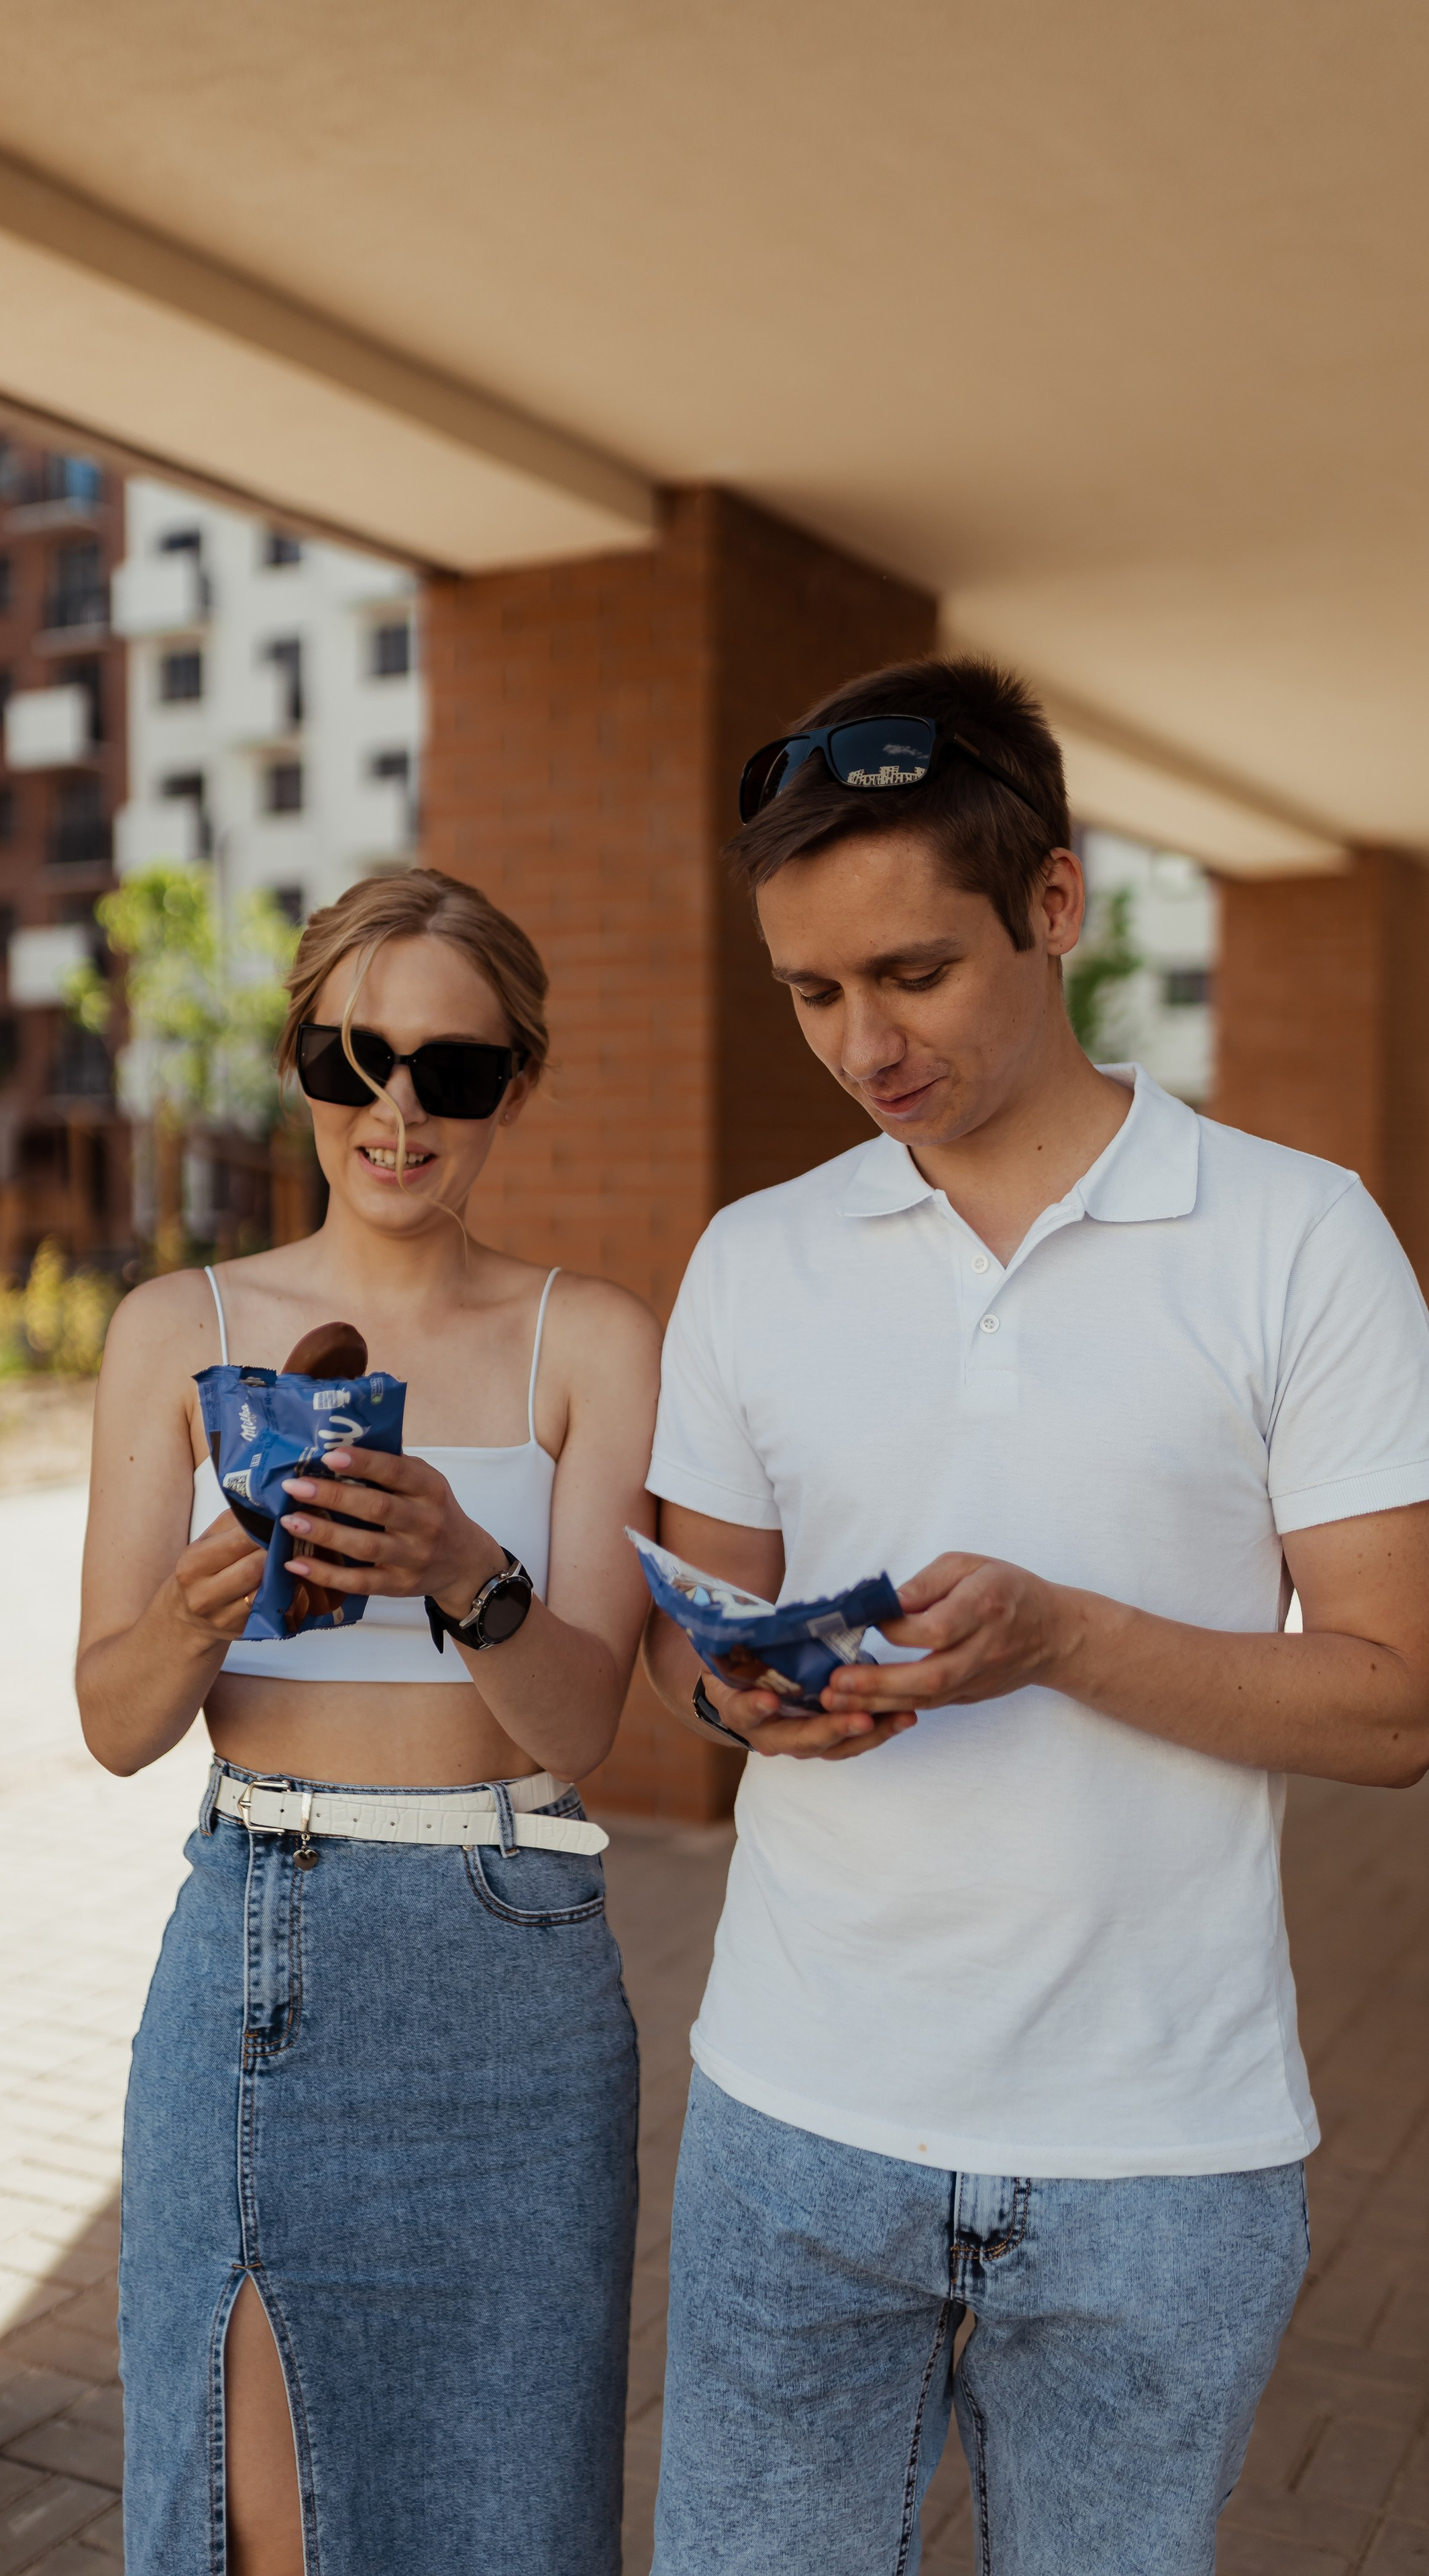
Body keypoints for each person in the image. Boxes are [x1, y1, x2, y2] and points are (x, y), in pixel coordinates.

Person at [641, 657, 1429, 2576]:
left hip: (1163, 2147)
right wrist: (753, 1703)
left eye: (913, 973)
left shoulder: (1300, 1236)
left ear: (1056, 907)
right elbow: (691, 1647)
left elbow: (1397, 1702)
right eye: (814, 991)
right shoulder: (756, 1258)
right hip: (798, 2115)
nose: (862, 1043)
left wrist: (1067, 1638)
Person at [76, 868, 659, 2576]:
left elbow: (587, 1726)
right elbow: (115, 1723)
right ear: (303, 1064)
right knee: (256, 2528)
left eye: (454, 1073)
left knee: (509, 2525)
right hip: (260, 1941)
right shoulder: (175, 1331)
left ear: (512, 1090)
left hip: (514, 1969)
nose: (396, 1112)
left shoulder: (592, 1338)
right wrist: (209, 1588)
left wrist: (460, 1566)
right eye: (356, 1061)